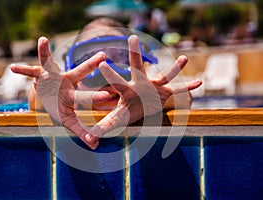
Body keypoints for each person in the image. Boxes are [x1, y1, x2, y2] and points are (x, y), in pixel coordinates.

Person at [11, 17, 202, 149]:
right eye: (89, 59)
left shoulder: (148, 90)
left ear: (139, 65)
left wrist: (149, 100)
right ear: (71, 69)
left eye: (119, 58)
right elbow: (36, 101)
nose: (105, 71)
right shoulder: (72, 102)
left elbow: (183, 96)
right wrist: (49, 95)